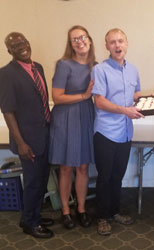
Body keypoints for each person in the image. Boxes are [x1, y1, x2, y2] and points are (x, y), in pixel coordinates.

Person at [0, 32, 54, 238]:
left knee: (41, 180)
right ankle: (30, 224)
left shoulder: (37, 67)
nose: (21, 47)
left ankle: (33, 215)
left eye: (23, 42)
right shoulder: (6, 73)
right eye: (15, 45)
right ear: (9, 51)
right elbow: (8, 110)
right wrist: (21, 143)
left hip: (44, 134)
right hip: (28, 140)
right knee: (33, 182)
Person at [91, 28, 144, 236]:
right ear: (107, 47)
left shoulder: (133, 70)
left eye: (120, 41)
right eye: (112, 42)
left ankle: (114, 212)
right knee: (104, 177)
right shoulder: (100, 70)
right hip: (105, 132)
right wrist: (125, 111)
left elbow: (136, 94)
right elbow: (100, 101)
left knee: (118, 176)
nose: (117, 45)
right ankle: (102, 217)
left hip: (125, 132)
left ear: (127, 43)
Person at [49, 25, 95, 229]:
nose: (79, 41)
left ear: (90, 40)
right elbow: (56, 97)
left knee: (83, 166)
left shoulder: (97, 66)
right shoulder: (64, 64)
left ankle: (82, 208)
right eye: (74, 39)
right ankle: (66, 211)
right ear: (70, 44)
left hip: (86, 116)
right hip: (66, 117)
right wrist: (84, 96)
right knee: (66, 167)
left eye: (82, 37)